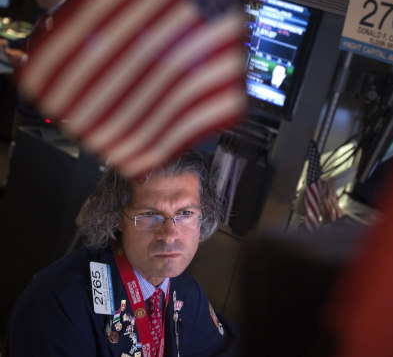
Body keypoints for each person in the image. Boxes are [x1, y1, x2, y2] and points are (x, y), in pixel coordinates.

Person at [3, 150, 238, 356]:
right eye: (149, 214)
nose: (169, 234)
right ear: (117, 217)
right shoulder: (60, 303)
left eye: (185, 213)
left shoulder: (188, 294)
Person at [0, 0, 68, 67]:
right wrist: (6, 43)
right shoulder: (44, 13)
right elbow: (30, 41)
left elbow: (61, 62)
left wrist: (25, 60)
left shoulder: (69, 18)